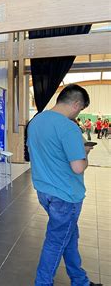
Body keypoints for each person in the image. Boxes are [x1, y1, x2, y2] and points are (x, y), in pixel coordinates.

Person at [27, 84, 101, 286]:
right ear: (76, 103)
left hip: (44, 191)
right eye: (81, 108)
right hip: (66, 196)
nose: (78, 112)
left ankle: (80, 280)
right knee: (56, 242)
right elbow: (77, 167)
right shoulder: (68, 127)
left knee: (69, 237)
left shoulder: (36, 121)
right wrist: (84, 153)